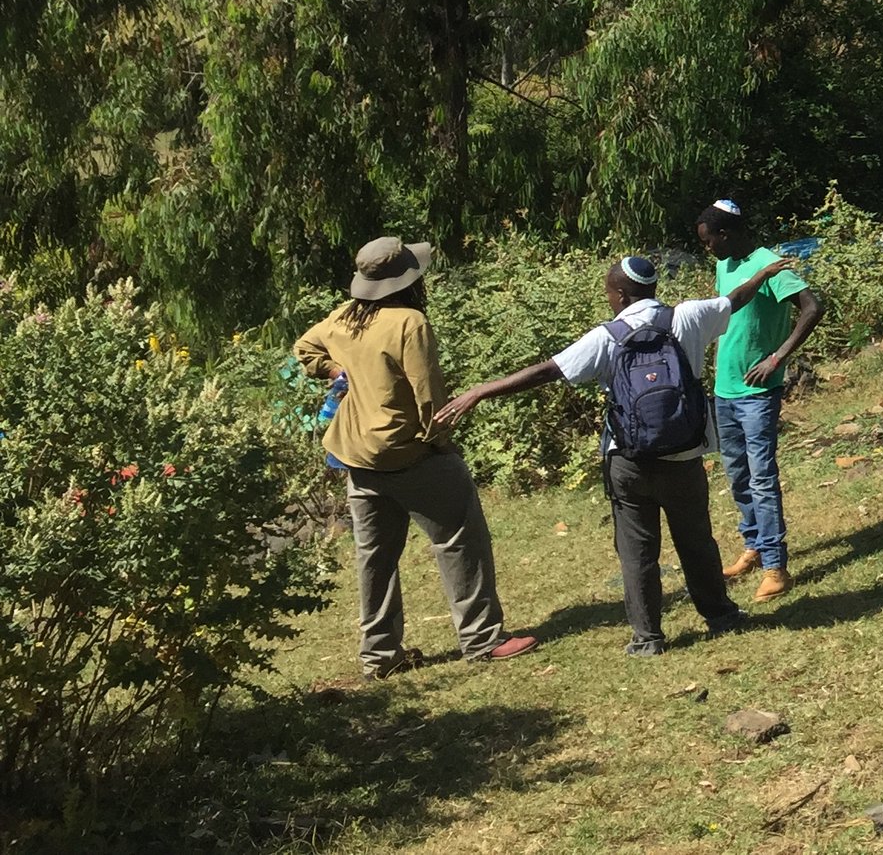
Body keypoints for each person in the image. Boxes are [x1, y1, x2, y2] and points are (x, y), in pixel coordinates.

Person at [434, 252, 797, 656]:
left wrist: (480, 391)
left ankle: (648, 638)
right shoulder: (691, 317)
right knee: (696, 540)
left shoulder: (607, 336)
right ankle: (721, 616)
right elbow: (737, 298)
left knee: (637, 550)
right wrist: (763, 272)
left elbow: (547, 371)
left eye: (609, 294)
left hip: (629, 461)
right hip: (683, 457)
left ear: (622, 295)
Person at [294, 238, 540, 678]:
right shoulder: (409, 321)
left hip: (356, 456)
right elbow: (428, 395)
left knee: (375, 557)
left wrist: (339, 372)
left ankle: (380, 656)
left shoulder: (344, 317)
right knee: (461, 540)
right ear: (407, 279)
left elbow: (304, 349)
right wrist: (439, 441)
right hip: (407, 451)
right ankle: (482, 639)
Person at [693, 199, 820, 602]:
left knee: (762, 477)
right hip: (725, 390)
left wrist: (778, 357)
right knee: (737, 474)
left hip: (757, 392)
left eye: (709, 240)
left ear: (726, 234)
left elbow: (813, 308)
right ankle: (753, 545)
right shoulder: (724, 265)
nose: (707, 248)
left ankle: (775, 566)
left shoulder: (770, 264)